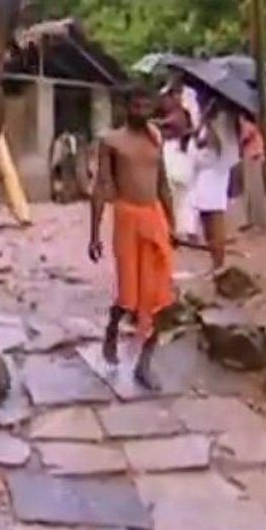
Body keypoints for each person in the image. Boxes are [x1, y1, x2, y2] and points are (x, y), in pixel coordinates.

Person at [89, 85, 175, 391]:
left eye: (146, 105)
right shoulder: (111, 141)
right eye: (136, 105)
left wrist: (172, 225)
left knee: (159, 298)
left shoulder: (155, 138)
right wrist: (94, 234)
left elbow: (163, 184)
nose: (141, 110)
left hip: (154, 220)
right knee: (129, 295)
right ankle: (113, 326)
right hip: (127, 221)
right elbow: (101, 187)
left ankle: (144, 365)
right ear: (125, 107)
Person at [191, 92, 241, 276]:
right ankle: (215, 261)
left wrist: (205, 127)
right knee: (206, 218)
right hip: (207, 172)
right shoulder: (212, 119)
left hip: (214, 173)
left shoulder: (221, 119)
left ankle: (218, 263)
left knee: (214, 218)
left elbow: (217, 146)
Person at [156, 71, 200, 242]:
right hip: (176, 151)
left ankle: (183, 228)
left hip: (179, 152)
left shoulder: (182, 112)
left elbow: (182, 127)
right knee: (179, 193)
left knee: (181, 192)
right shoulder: (174, 112)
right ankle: (181, 228)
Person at [239, 116, 266, 233]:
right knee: (249, 189)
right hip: (250, 155)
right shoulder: (249, 123)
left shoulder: (248, 124)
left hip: (253, 155)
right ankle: (250, 220)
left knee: (255, 189)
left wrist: (240, 143)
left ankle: (259, 222)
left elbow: (246, 137)